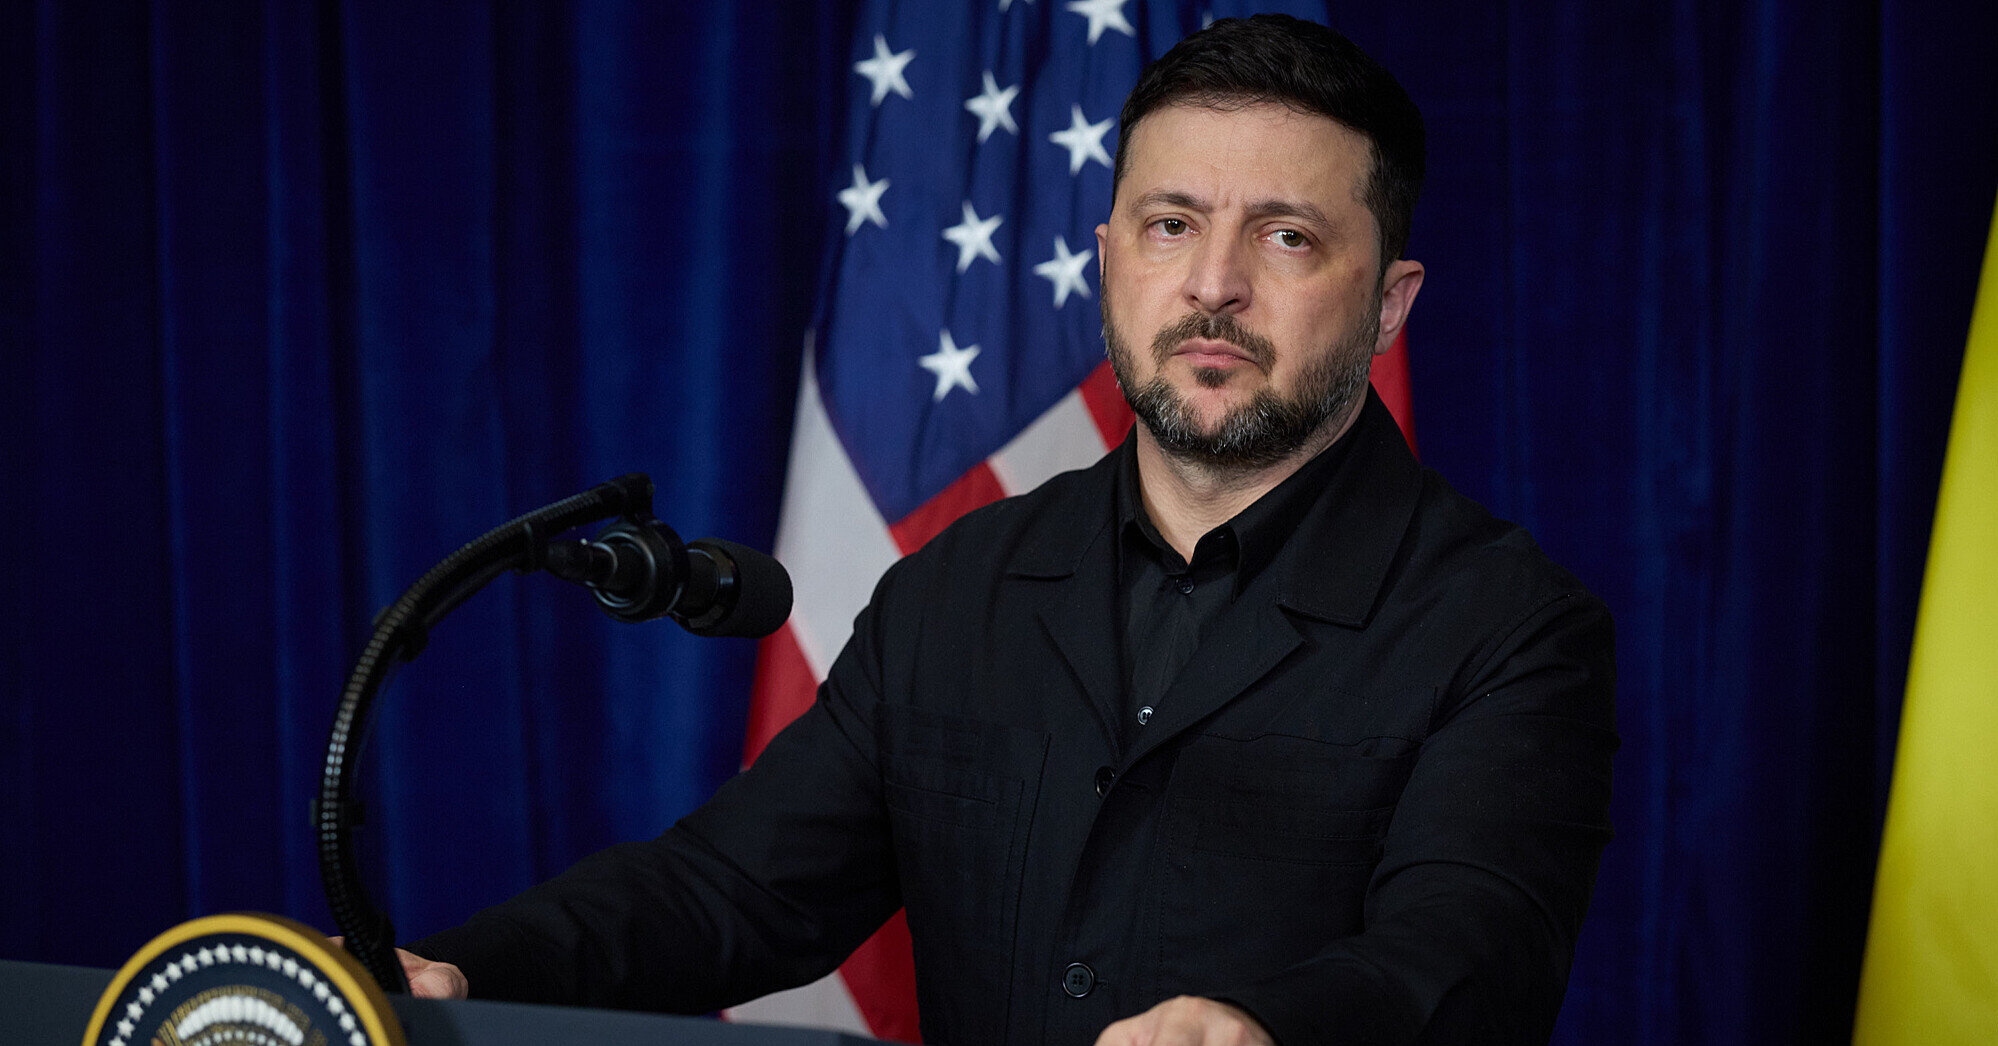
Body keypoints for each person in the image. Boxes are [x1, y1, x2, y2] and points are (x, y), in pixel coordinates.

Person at [401, 15, 1617, 1045]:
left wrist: (1265, 1025)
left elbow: (1470, 949)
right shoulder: (955, 586)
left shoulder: (1507, 625)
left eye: (1286, 235)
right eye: (1171, 224)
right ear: (1109, 262)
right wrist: (462, 973)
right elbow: (730, 890)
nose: (1213, 283)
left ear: (1390, 303)